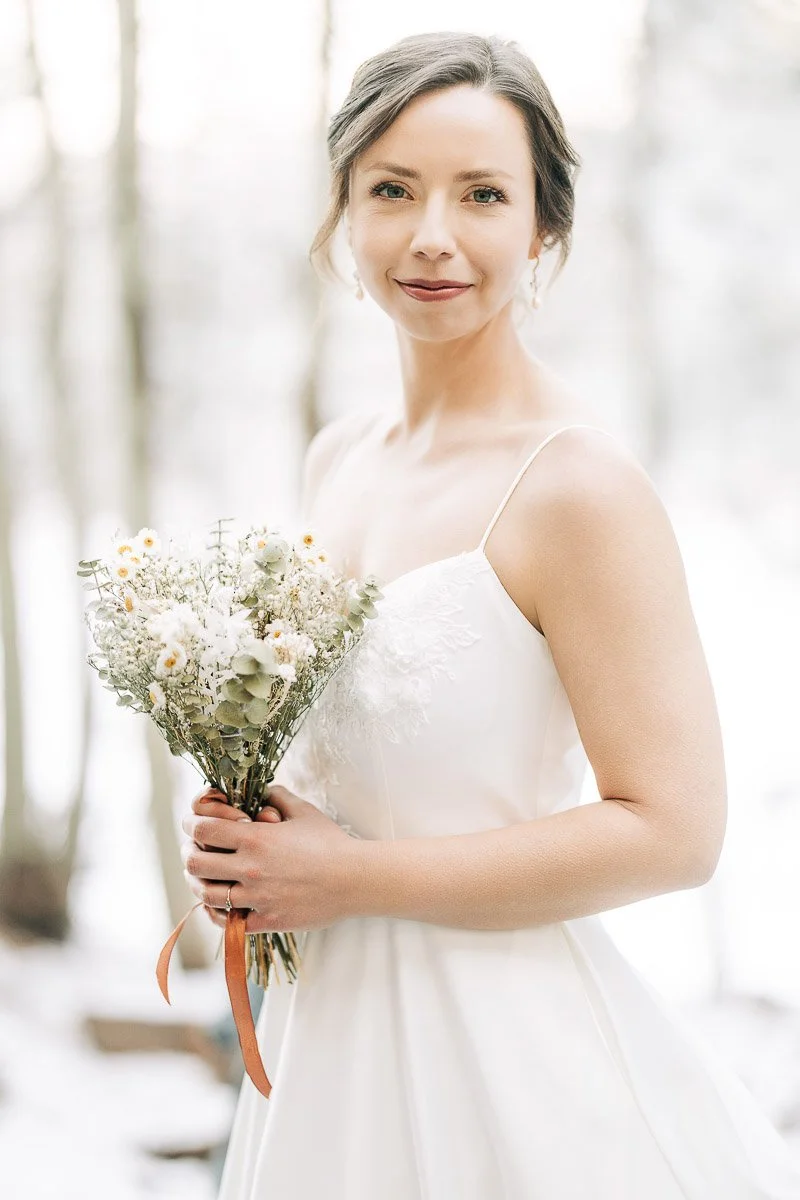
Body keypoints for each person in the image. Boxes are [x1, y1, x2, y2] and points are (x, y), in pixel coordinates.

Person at [181, 30, 800, 1199]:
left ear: (542, 229)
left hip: (511, 1067)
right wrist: (253, 837)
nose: (430, 235)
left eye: (481, 195)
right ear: (340, 216)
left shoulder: (576, 488)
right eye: (391, 190)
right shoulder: (336, 459)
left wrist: (350, 878)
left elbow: (675, 830)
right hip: (331, 1049)